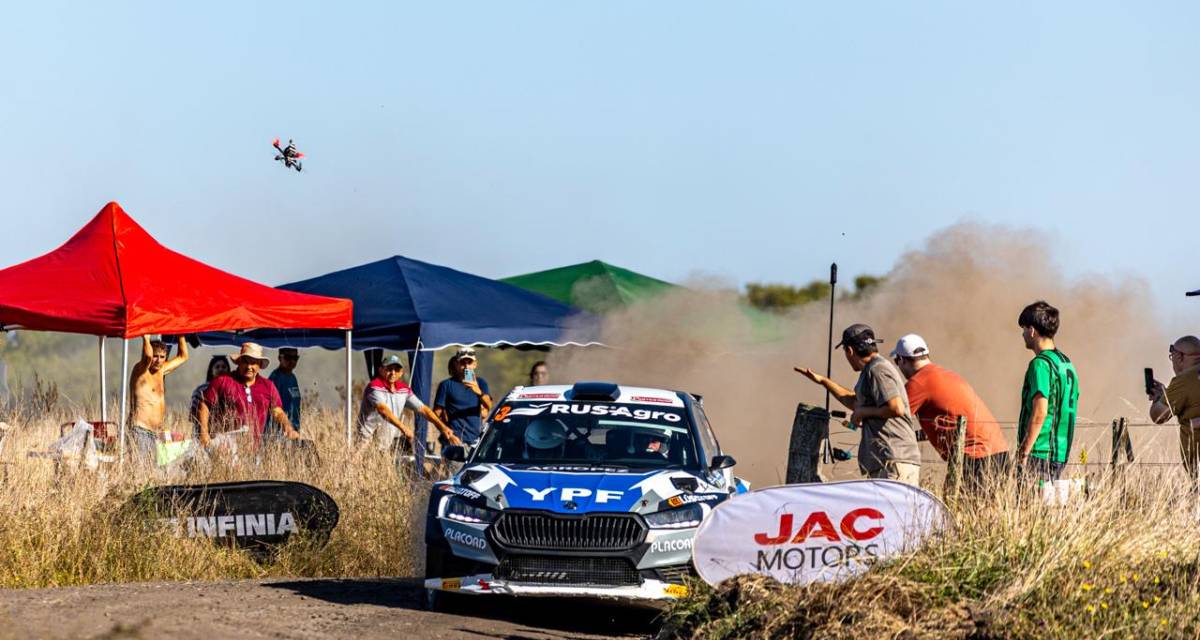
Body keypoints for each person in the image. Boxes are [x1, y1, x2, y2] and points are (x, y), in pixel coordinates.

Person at [795, 324, 921, 485]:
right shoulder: (871, 370)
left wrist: (862, 413)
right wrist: (823, 381)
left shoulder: (878, 369)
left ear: (849, 350)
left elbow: (896, 408)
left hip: (894, 460)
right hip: (886, 461)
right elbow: (855, 402)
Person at [890, 334, 1010, 485]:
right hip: (998, 452)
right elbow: (949, 424)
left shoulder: (918, 382)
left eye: (896, 362)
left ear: (901, 360)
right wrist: (912, 436)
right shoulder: (946, 375)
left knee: (955, 506)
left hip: (976, 457)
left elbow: (890, 417)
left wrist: (864, 413)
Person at [1016, 301, 1080, 484]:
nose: (1023, 334)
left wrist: (1024, 452)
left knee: (1031, 508)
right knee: (1050, 507)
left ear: (1033, 331)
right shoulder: (1066, 363)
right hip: (1060, 451)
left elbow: (1040, 411)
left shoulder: (1040, 364)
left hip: (1040, 451)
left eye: (1024, 328)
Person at [198, 343, 299, 457]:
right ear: (239, 362)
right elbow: (204, 404)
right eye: (246, 361)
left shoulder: (268, 386)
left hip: (255, 451)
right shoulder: (223, 381)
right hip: (224, 449)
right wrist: (204, 433)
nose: (249, 366)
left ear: (260, 365)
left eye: (254, 363)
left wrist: (288, 428)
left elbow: (277, 411)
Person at [358, 354, 460, 452]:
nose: (393, 372)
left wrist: (442, 427)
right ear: (381, 370)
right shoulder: (375, 386)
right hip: (366, 437)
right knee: (358, 463)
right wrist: (404, 428)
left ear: (401, 372)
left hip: (385, 440)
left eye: (396, 369)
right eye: (389, 369)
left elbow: (423, 409)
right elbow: (383, 410)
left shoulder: (403, 389)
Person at [128, 335, 189, 460]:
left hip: (156, 433)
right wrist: (146, 338)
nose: (158, 360)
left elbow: (183, 356)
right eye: (156, 356)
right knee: (141, 471)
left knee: (155, 473)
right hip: (140, 431)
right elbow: (147, 357)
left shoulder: (161, 371)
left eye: (162, 357)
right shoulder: (141, 370)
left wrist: (181, 334)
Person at [1149, 336, 1200, 478]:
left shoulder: (1184, 380)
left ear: (1179, 357)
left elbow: (1159, 416)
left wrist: (1158, 399)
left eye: (1172, 357)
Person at [434, 348, 493, 447]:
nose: (466, 367)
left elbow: (489, 406)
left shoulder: (481, 383)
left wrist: (478, 392)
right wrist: (446, 432)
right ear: (456, 364)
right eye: (462, 363)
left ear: (475, 364)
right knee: (454, 463)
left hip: (476, 441)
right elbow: (436, 414)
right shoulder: (446, 385)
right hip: (454, 440)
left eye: (469, 362)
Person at [189, 355, 231, 435]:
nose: (221, 369)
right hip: (204, 433)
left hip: (227, 434)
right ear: (211, 371)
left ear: (228, 370)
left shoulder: (233, 389)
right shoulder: (201, 389)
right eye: (217, 367)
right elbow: (192, 416)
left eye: (224, 367)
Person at [269, 348, 303, 433]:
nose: (292, 361)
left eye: (295, 358)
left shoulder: (293, 378)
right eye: (288, 358)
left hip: (294, 429)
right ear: (280, 358)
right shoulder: (275, 379)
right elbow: (273, 408)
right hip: (279, 431)